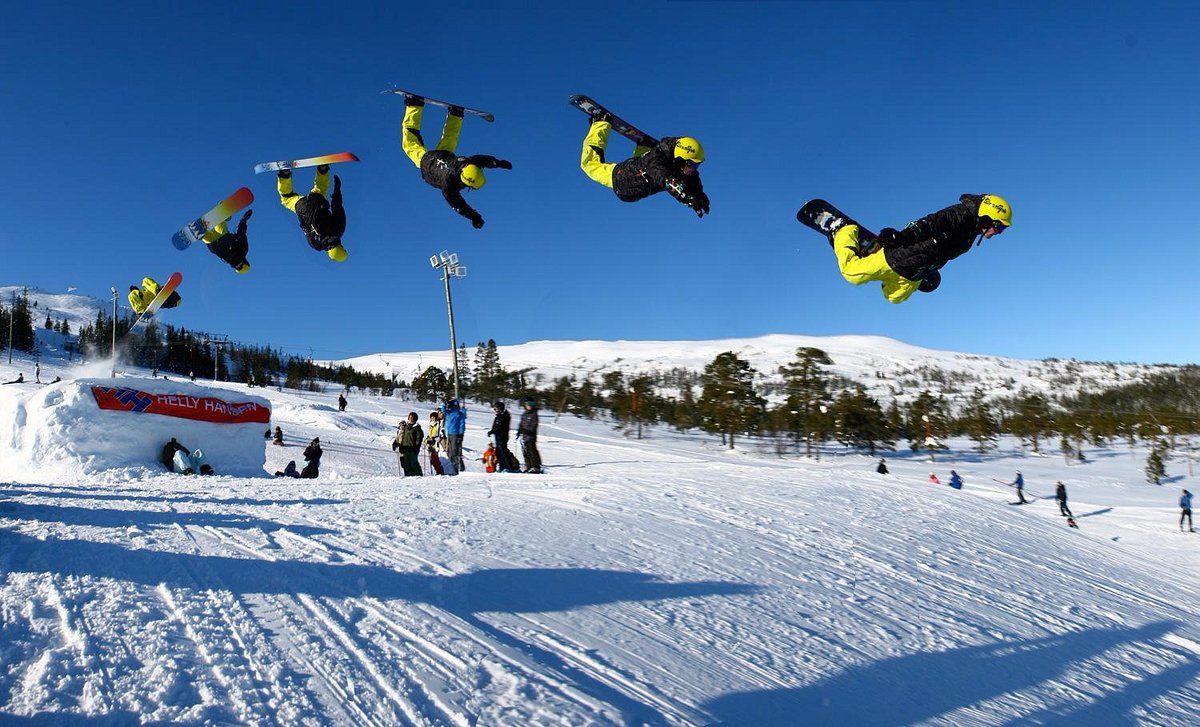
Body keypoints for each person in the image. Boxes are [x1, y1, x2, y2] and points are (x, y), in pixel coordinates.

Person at [826, 194, 1012, 304]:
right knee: (851, 274)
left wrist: (931, 270)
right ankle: (843, 229)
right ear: (989, 217)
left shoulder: (971, 234)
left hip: (915, 272)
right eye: (1000, 227)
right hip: (900, 256)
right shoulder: (959, 215)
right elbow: (929, 223)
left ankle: (871, 253)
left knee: (894, 298)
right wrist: (903, 236)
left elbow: (944, 251)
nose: (999, 232)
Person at [399, 94, 512, 228]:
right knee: (409, 144)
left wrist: (498, 163)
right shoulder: (449, 186)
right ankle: (414, 105)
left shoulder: (468, 163)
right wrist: (474, 217)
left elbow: (484, 160)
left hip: (444, 155)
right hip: (427, 162)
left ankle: (456, 115)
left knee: (450, 138)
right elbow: (458, 204)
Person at [580, 112, 709, 218]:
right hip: (621, 181)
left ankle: (645, 148)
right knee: (590, 164)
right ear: (681, 159)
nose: (694, 169)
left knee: (648, 160)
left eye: (697, 165)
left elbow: (693, 180)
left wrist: (700, 196)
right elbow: (667, 181)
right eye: (692, 164)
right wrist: (686, 197)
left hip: (640, 171)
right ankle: (600, 123)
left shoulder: (677, 160)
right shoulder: (659, 166)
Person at [277, 164, 348, 262]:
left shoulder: (339, 229)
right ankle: (285, 174)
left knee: (321, 189)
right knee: (287, 198)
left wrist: (337, 189)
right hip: (302, 208)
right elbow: (305, 228)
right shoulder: (315, 244)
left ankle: (323, 170)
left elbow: (337, 207)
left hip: (318, 202)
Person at [200, 209, 253, 273]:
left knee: (206, 236)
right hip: (223, 235)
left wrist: (244, 220)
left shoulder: (231, 260)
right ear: (244, 262)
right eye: (240, 266)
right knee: (218, 226)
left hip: (214, 242)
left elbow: (241, 234)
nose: (237, 265)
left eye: (237, 267)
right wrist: (243, 220)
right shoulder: (243, 250)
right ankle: (221, 214)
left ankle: (200, 232)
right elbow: (241, 234)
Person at [488, 400, 519, 472]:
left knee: (503, 452)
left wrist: (495, 431)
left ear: (500, 408)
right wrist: (492, 431)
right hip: (498, 436)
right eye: (494, 409)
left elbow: (502, 427)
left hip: (502, 436)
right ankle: (502, 467)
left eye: (496, 409)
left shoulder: (504, 416)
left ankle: (508, 467)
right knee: (498, 452)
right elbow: (495, 427)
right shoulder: (498, 417)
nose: (495, 411)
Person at [517, 398, 543, 474]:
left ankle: (535, 467)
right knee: (526, 452)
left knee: (532, 451)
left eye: (531, 404)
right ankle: (528, 466)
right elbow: (521, 424)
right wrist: (519, 431)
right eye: (528, 404)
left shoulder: (534, 414)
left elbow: (534, 425)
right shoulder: (524, 414)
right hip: (524, 436)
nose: (530, 406)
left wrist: (527, 431)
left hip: (531, 436)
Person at [442, 399, 466, 472]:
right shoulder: (449, 412)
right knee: (449, 452)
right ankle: (455, 466)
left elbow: (462, 424)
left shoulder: (458, 413)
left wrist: (460, 434)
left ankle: (459, 467)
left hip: (455, 434)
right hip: (449, 433)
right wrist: (444, 403)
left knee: (454, 451)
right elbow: (443, 410)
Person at [425, 410, 446, 475]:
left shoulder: (438, 425)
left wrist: (433, 440)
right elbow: (429, 435)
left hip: (436, 445)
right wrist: (426, 441)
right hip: (431, 445)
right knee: (433, 460)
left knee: (435, 459)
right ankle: (439, 472)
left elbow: (440, 435)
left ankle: (440, 472)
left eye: (434, 417)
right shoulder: (431, 425)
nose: (432, 418)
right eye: (431, 417)